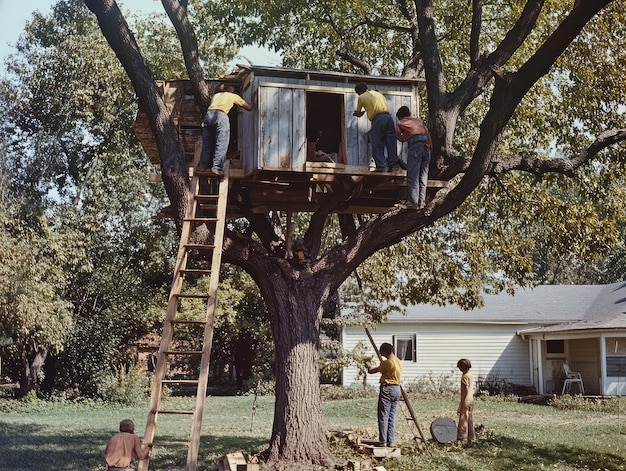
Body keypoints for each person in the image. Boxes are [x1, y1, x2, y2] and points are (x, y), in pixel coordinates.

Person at [198, 84, 254, 177]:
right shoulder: (233, 96)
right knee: (221, 142)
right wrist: (253, 100)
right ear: (231, 90)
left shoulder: (216, 96)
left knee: (207, 143)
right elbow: (249, 108)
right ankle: (217, 168)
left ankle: (201, 166)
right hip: (221, 116)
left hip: (208, 116)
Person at [352, 83, 400, 173]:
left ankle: (381, 166)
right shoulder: (378, 94)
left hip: (378, 119)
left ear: (358, 92)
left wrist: (358, 113)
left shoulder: (361, 97)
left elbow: (358, 113)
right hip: (388, 117)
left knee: (377, 143)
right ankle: (393, 165)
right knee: (391, 143)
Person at [395, 105, 432, 210]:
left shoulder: (401, 122)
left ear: (400, 116)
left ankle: (412, 202)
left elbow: (399, 136)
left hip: (415, 146)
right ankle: (422, 202)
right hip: (426, 146)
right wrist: (430, 147)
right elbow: (427, 134)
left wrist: (405, 138)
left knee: (413, 175)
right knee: (423, 176)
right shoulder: (418, 121)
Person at [368, 342, 403, 447]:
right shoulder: (398, 361)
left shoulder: (387, 363)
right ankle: (390, 440)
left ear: (384, 352)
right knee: (391, 416)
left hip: (387, 389)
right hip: (396, 389)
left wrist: (368, 366)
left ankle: (383, 440)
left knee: (383, 415)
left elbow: (372, 371)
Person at [456, 358, 476, 444]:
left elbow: (465, 391)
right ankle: (471, 437)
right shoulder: (470, 375)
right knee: (469, 419)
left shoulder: (464, 376)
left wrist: (460, 405)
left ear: (462, 367)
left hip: (466, 400)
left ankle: (462, 437)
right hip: (471, 399)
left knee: (463, 419)